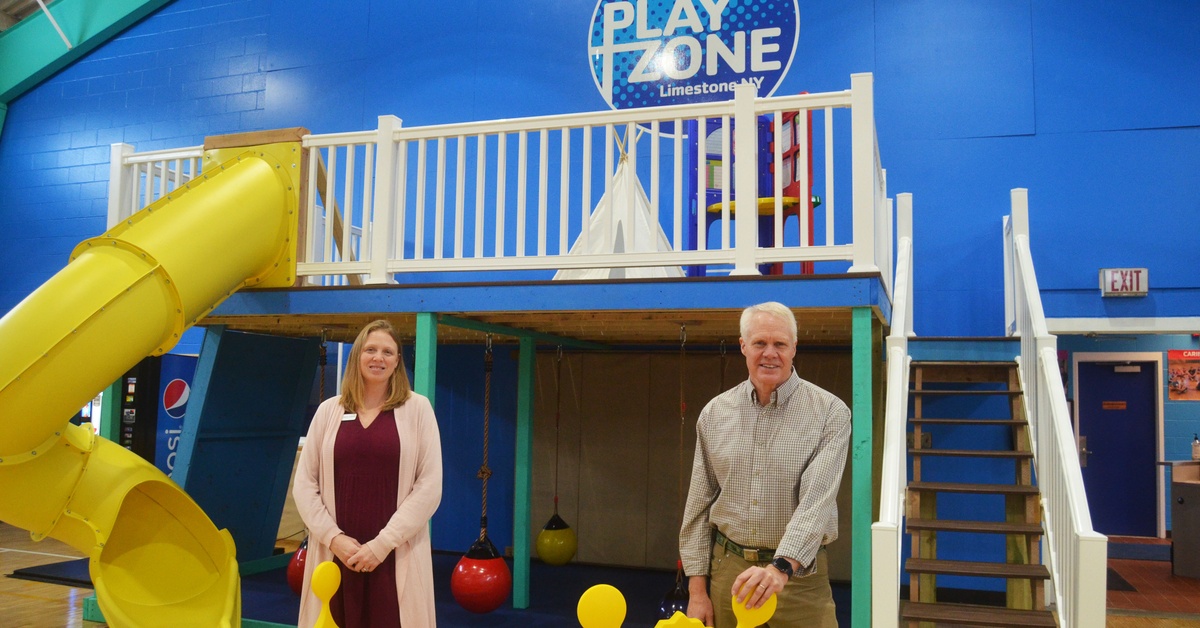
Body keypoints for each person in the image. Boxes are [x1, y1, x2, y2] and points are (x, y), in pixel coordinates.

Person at [679, 302, 850, 627]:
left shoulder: (830, 413)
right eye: (760, 343)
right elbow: (698, 506)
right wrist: (697, 590)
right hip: (728, 574)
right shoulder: (714, 414)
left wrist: (780, 569)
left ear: (793, 348)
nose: (770, 353)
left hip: (798, 578)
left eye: (780, 344)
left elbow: (816, 505)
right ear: (743, 346)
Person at [293, 319, 443, 627]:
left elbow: (429, 486)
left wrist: (382, 544)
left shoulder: (418, 409)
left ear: (398, 361)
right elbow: (305, 485)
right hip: (337, 554)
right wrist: (334, 539)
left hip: (393, 553)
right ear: (357, 355)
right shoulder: (328, 411)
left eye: (388, 352)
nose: (379, 358)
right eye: (371, 349)